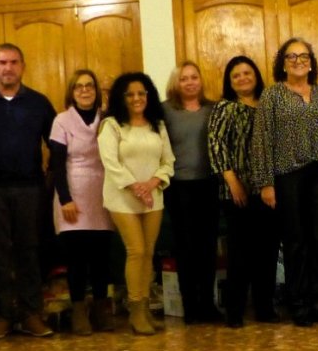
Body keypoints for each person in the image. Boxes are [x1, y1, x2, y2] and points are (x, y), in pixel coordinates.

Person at [0, 43, 57, 340]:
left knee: (30, 252)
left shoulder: (39, 103)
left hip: (30, 189)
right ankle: (2, 316)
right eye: (2, 62)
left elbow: (56, 144)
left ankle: (32, 314)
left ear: (23, 66)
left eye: (14, 62)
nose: (8, 68)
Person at [251, 39, 318, 327]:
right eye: (291, 56)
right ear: (283, 62)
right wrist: (265, 183)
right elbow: (261, 140)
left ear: (311, 62)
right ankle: (299, 304)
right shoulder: (272, 95)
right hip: (287, 175)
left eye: (303, 56)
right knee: (296, 241)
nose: (298, 60)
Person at [99, 72, 175, 335]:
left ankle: (145, 307)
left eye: (141, 93)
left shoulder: (158, 125)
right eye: (130, 94)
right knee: (137, 250)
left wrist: (152, 183)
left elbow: (168, 162)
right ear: (122, 98)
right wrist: (135, 186)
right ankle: (135, 311)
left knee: (149, 252)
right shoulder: (111, 125)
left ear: (148, 95)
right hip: (122, 198)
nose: (136, 98)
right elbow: (110, 162)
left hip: (153, 197)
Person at [208, 56, 280, 328]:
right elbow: (216, 145)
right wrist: (232, 181)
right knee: (240, 253)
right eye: (235, 75)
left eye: (247, 73)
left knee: (268, 251)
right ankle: (235, 310)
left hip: (269, 190)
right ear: (229, 81)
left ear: (256, 76)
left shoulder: (268, 105)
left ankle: (264, 307)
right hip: (237, 193)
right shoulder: (225, 108)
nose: (242, 78)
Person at [48, 70, 114, 335]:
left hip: (103, 192)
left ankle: (100, 309)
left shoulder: (107, 119)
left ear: (96, 90)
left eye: (89, 86)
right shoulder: (62, 120)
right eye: (79, 87)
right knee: (77, 258)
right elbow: (56, 163)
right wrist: (65, 198)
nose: (85, 91)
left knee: (101, 257)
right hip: (72, 192)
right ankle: (78, 311)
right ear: (72, 92)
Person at [163, 61, 223, 324]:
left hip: (209, 185)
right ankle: (191, 307)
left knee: (208, 248)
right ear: (176, 83)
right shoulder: (165, 111)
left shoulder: (214, 109)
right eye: (184, 78)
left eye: (193, 77)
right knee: (185, 249)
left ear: (201, 80)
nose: (189, 82)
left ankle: (207, 304)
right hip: (179, 187)